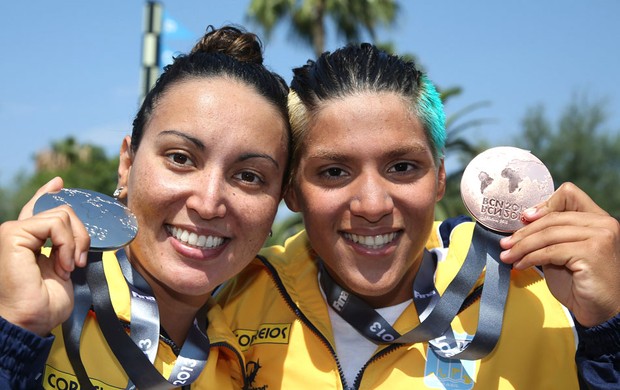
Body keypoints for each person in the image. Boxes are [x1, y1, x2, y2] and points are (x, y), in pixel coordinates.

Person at [215, 43, 620, 389]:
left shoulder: (540, 290)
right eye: (334, 171)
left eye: (402, 167)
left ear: (440, 177)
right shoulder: (233, 299)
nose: (372, 205)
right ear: (291, 191)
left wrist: (608, 328)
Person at [0, 25, 290, 389]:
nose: (209, 202)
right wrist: (15, 331)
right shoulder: (25, 288)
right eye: (181, 158)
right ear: (127, 162)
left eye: (249, 176)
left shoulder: (250, 361)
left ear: (279, 200)